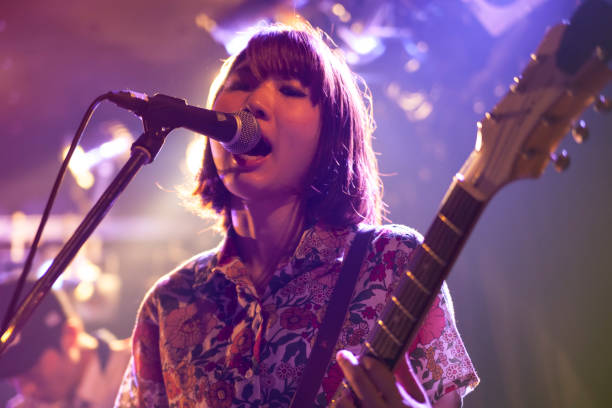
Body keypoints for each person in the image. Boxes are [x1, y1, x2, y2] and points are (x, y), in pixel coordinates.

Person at [115, 20, 479, 407]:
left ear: (332, 136)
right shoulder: (170, 302)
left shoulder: (392, 263)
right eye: (239, 83)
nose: (253, 103)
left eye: (290, 90)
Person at [0, 279, 131, 408]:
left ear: (70, 335)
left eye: (31, 372)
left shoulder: (139, 371)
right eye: (11, 377)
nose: (26, 391)